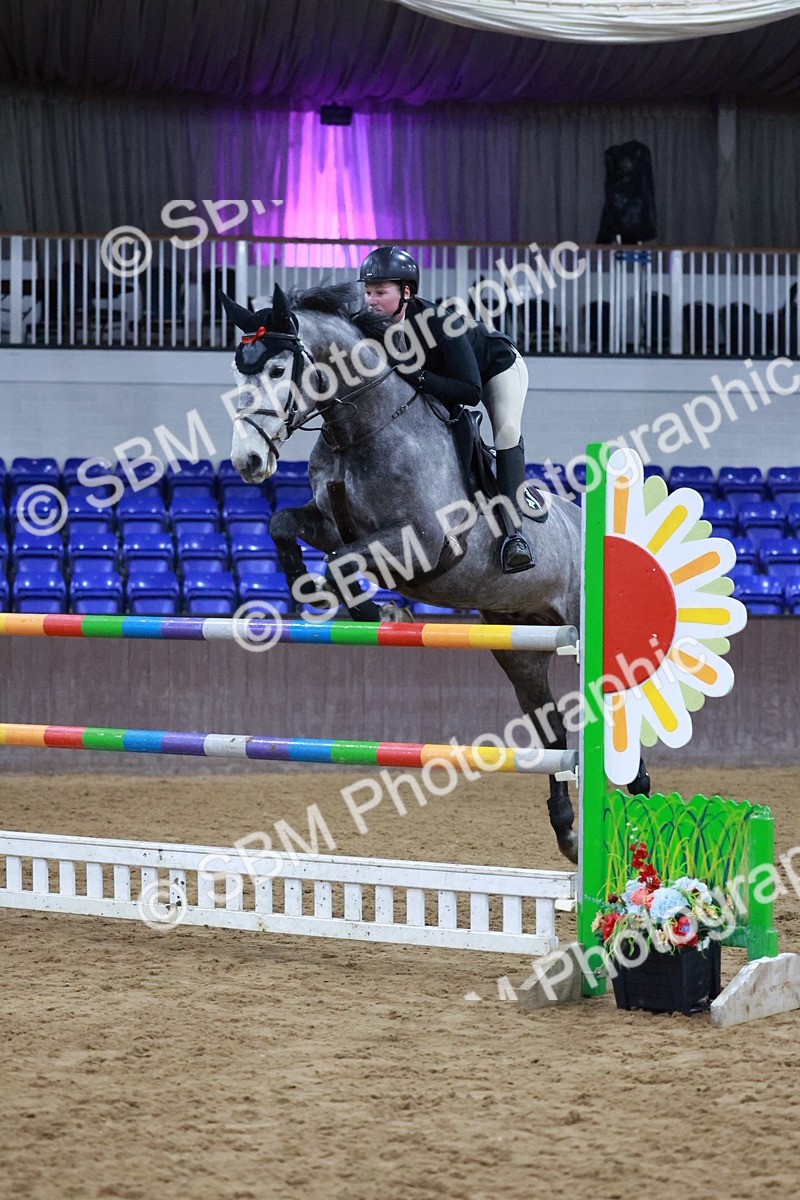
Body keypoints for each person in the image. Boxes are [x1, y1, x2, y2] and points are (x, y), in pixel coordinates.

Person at [359, 245, 541, 573]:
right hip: (445, 379)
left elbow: (470, 391)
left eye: (380, 292)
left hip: (495, 368)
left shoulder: (439, 324)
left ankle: (515, 536)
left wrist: (418, 377)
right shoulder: (372, 328)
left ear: (406, 292)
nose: (371, 299)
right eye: (368, 291)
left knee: (506, 430)